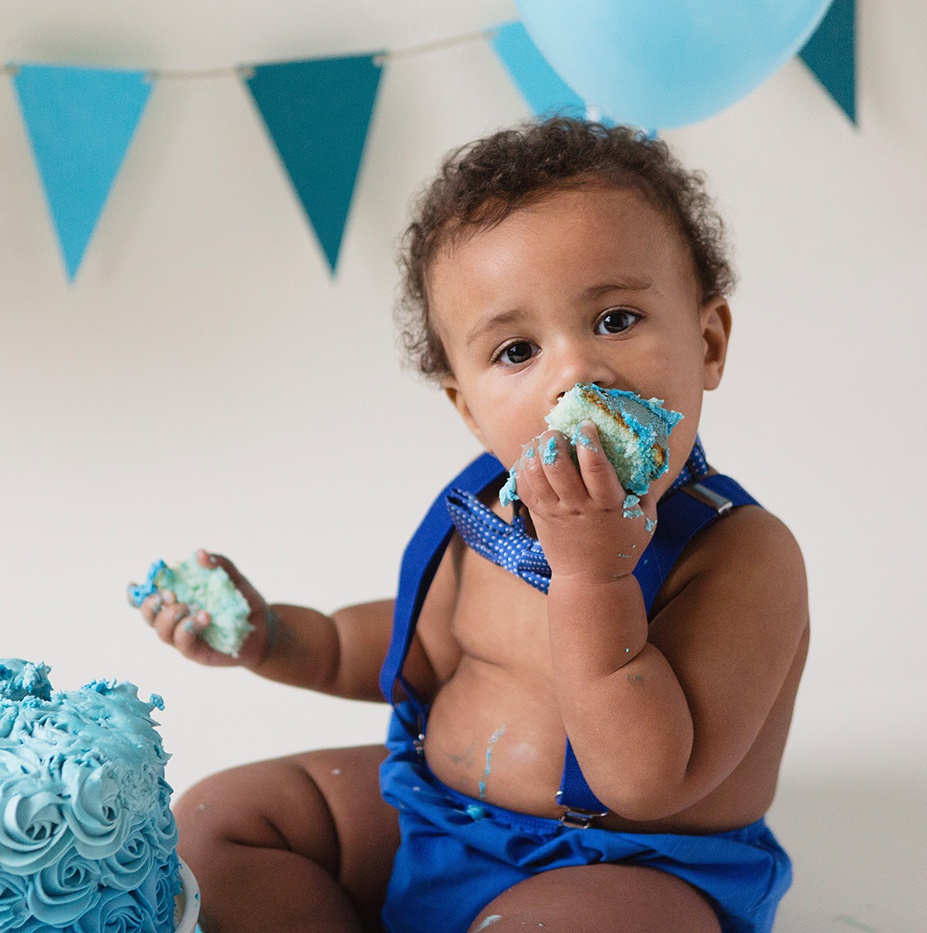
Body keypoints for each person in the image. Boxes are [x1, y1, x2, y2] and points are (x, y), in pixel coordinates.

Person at [140, 117, 809, 933]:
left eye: (615, 320)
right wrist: (275, 637)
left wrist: (593, 576)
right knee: (218, 819)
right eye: (518, 350)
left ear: (707, 341)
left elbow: (647, 777)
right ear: (468, 406)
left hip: (626, 869)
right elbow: (415, 649)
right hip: (435, 820)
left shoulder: (740, 553)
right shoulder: (484, 513)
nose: (575, 370)